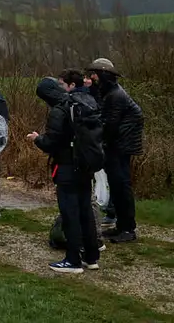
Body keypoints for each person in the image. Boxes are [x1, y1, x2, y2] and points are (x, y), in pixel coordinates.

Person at [29, 69, 102, 274]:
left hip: (67, 167)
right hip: (86, 165)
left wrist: (37, 138)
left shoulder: (59, 110)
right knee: (85, 210)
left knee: (70, 213)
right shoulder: (85, 101)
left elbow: (52, 142)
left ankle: (73, 260)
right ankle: (91, 257)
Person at [86, 57, 143, 243]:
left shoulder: (115, 96)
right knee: (117, 187)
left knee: (122, 187)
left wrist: (99, 141)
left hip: (120, 148)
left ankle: (128, 228)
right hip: (117, 146)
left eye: (94, 74)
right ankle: (121, 225)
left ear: (103, 75)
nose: (92, 77)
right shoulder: (109, 93)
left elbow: (110, 125)